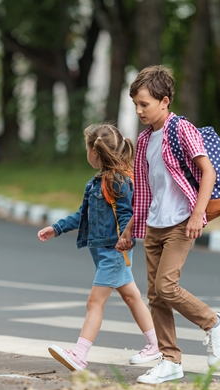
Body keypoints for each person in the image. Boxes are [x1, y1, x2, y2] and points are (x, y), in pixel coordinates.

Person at [117, 65, 220, 384]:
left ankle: (214, 322)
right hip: (155, 224)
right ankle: (170, 360)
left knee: (167, 286)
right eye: (136, 105)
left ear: (165, 101)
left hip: (182, 221)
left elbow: (207, 172)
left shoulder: (181, 129)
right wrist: (130, 228)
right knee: (155, 295)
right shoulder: (143, 141)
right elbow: (144, 189)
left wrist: (198, 214)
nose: (139, 110)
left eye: (145, 104)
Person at [37, 123, 161, 372]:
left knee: (94, 303)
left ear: (94, 152)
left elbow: (128, 214)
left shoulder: (119, 182)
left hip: (113, 252)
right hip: (107, 252)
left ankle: (80, 355)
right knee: (132, 296)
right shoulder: (95, 183)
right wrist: (57, 228)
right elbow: (82, 216)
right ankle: (156, 345)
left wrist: (126, 240)